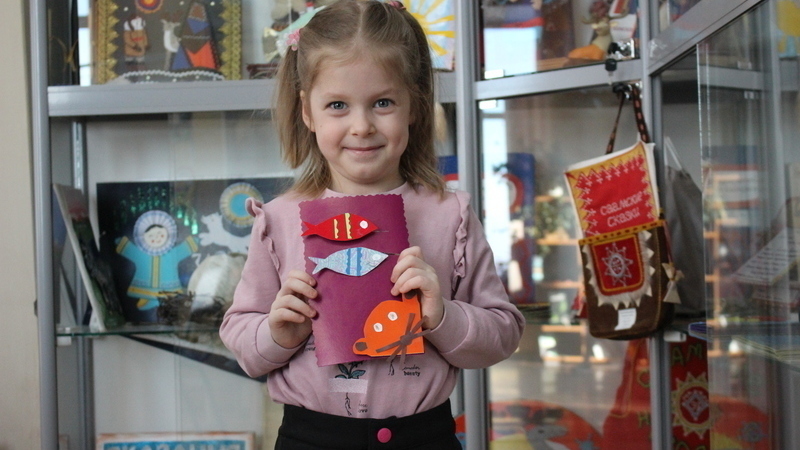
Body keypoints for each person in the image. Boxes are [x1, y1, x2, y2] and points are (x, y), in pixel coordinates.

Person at [219, 1, 525, 448]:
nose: (361, 126)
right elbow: (241, 339)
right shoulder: (278, 219)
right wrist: (277, 333)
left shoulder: (450, 214)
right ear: (307, 112)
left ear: (413, 105)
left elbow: (503, 333)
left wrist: (442, 316)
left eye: (383, 102)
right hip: (310, 439)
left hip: (423, 439)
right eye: (337, 105)